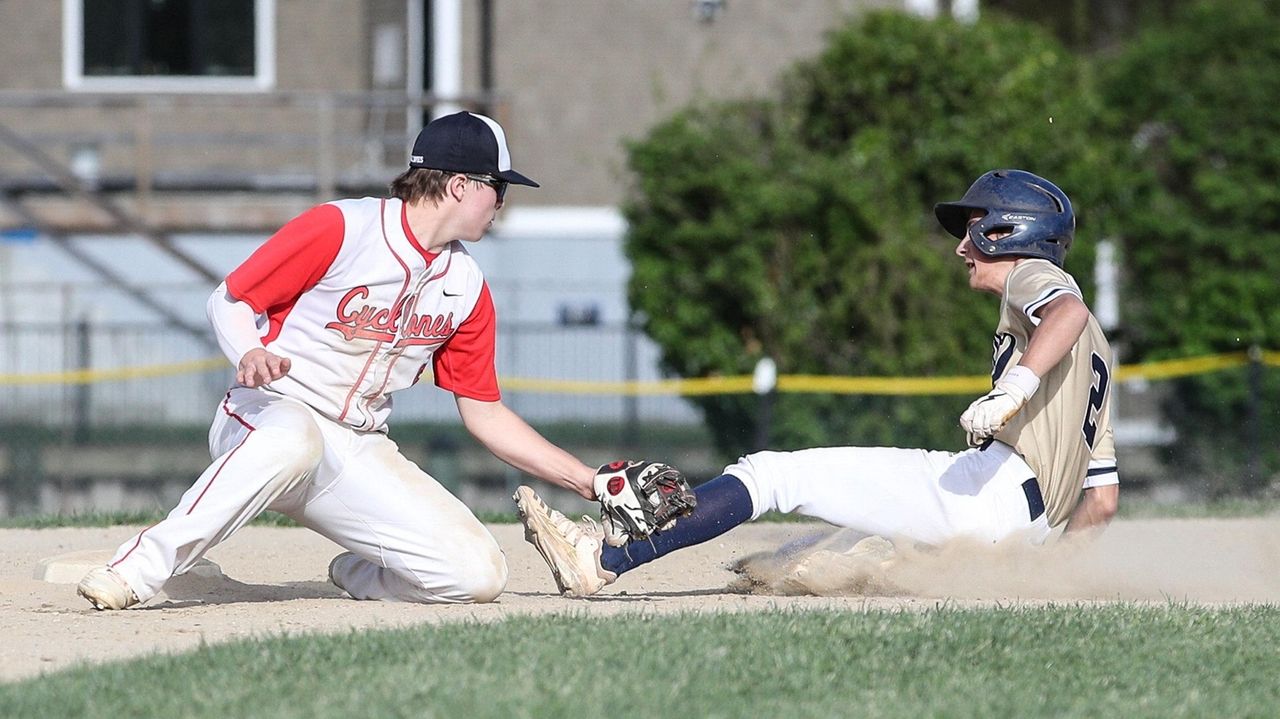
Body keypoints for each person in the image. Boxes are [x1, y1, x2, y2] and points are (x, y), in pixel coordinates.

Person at [77, 111, 600, 609]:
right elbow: (230, 300)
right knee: (293, 436)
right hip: (266, 416)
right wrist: (250, 350)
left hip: (355, 446)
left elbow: (484, 413)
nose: (502, 201)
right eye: (499, 186)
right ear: (461, 185)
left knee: (477, 575)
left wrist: (588, 481)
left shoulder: (466, 288)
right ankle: (134, 571)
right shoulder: (344, 228)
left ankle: (357, 573)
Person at [515, 169, 1120, 597]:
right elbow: (1102, 499)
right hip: (1020, 523)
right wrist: (1044, 572)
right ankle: (799, 568)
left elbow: (1063, 310)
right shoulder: (1099, 358)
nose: (962, 245)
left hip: (989, 489)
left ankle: (605, 559)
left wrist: (1013, 388)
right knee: (840, 546)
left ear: (1012, 232)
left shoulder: (1033, 277)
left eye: (976, 228)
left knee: (774, 474)